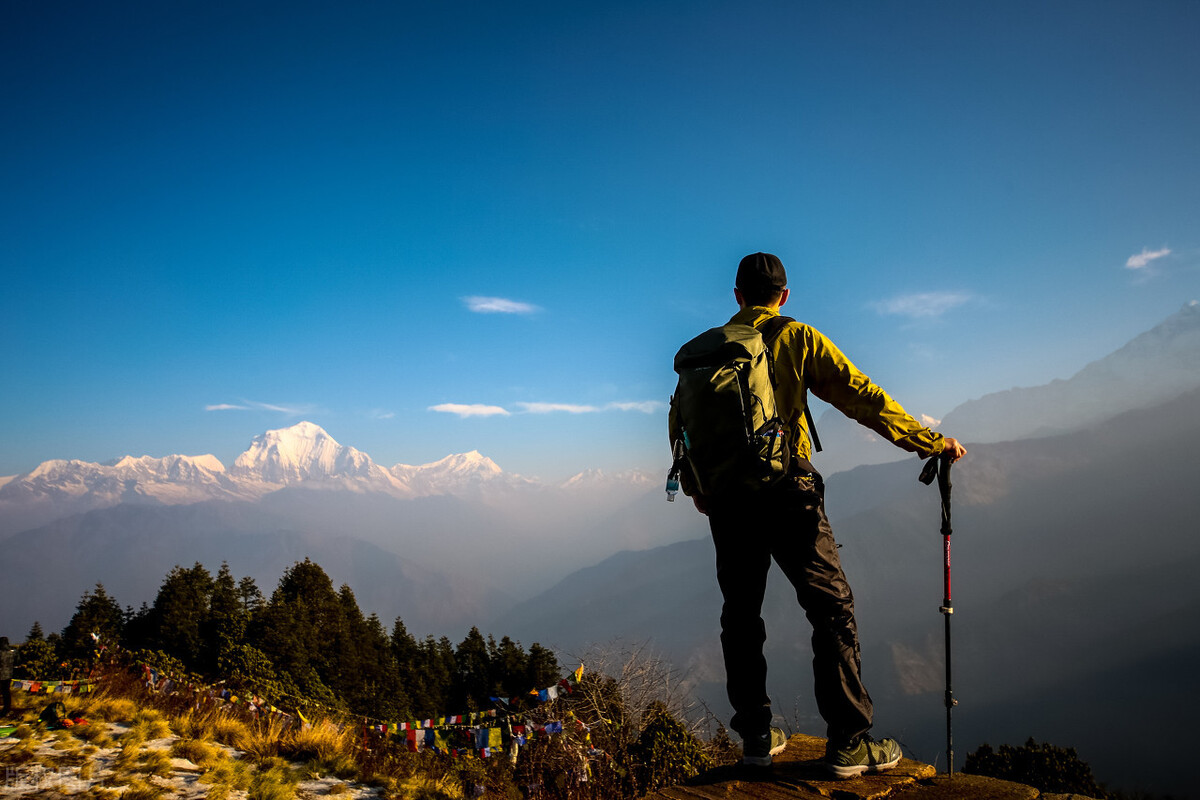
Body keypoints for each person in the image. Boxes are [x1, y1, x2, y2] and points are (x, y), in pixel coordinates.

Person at [669, 252, 967, 776]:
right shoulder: (797, 337)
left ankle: (757, 737)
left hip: (729, 501)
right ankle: (850, 742)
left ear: (736, 296)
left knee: (740, 615)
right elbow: (860, 395)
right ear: (784, 296)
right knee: (831, 609)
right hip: (789, 492)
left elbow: (680, 428)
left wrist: (700, 488)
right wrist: (928, 442)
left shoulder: (708, 351)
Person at [0, 637, 14, 719]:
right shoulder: (11, 652)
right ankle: (6, 710)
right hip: (9, 675)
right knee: (6, 694)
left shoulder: (1, 652)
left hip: (1, 675)